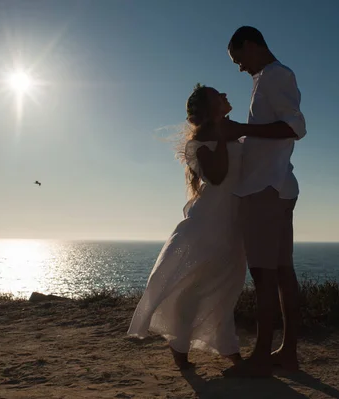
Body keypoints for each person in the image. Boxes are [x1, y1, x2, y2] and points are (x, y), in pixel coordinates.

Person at [127, 84, 246, 370]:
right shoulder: (201, 141)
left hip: (233, 223)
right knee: (193, 287)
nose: (226, 96)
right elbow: (217, 176)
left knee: (226, 288)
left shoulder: (228, 132)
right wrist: (222, 132)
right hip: (208, 224)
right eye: (219, 95)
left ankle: (212, 348)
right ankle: (189, 349)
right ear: (209, 108)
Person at [222, 26, 307, 378]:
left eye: (238, 58)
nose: (239, 67)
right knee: (283, 272)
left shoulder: (276, 75)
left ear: (252, 45)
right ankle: (286, 353)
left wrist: (242, 128)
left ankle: (261, 356)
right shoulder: (266, 78)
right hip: (277, 187)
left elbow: (295, 127)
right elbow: (273, 133)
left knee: (264, 275)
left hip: (265, 191)